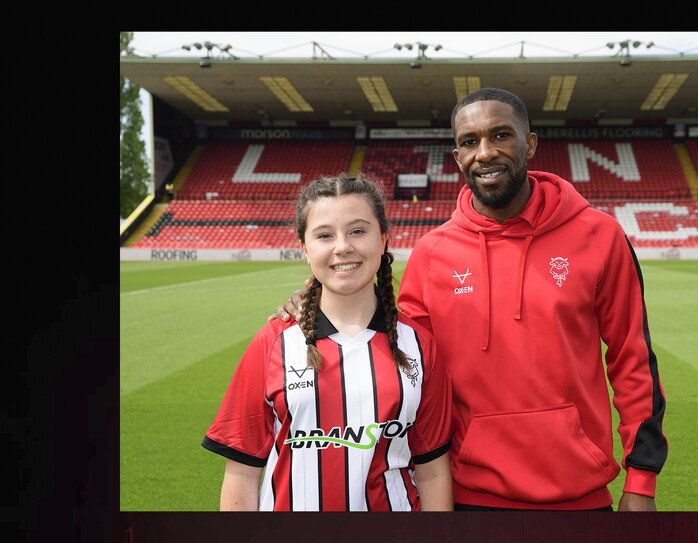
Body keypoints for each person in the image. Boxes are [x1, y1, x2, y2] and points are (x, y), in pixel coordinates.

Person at [274, 88, 667, 511]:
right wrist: (318, 306)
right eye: (469, 141)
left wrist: (641, 481)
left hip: (580, 496)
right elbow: (401, 357)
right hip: (466, 496)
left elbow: (632, 358)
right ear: (457, 156)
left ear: (530, 143)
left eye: (501, 135)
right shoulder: (432, 253)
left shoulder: (600, 236)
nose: (485, 153)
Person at [203, 174, 453, 511]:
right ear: (305, 249)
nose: (342, 247)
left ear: (383, 239)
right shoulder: (273, 343)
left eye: (358, 231)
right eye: (324, 235)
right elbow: (242, 474)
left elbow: (432, 473)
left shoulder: (419, 345)